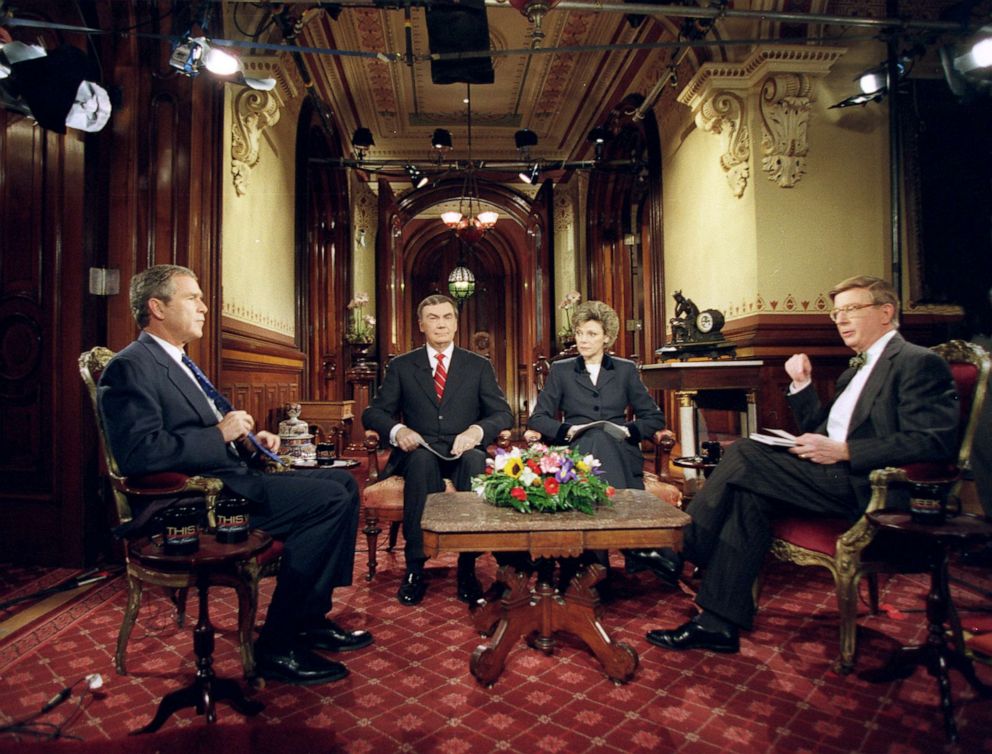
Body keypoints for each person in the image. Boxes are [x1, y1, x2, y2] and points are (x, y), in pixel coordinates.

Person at [631, 275, 960, 653]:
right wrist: (802, 386)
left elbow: (934, 440)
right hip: (830, 475)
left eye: (852, 310)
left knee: (743, 452)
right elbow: (821, 431)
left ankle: (680, 550)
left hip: (870, 485)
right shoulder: (854, 370)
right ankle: (716, 623)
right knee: (747, 498)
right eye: (837, 313)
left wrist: (849, 452)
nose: (841, 320)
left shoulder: (919, 362)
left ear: (886, 312)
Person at [99, 265, 371, 686]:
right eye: (192, 298)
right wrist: (219, 434)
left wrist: (248, 439)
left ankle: (311, 618)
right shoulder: (130, 367)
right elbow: (139, 454)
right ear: (157, 307)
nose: (204, 308)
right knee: (329, 499)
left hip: (230, 479)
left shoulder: (180, 362)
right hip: (189, 505)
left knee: (341, 484)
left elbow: (199, 432)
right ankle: (277, 646)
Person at [362, 294, 513, 606]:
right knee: (420, 464)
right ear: (421, 325)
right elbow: (374, 413)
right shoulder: (402, 366)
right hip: (421, 449)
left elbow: (502, 414)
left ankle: (467, 567)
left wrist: (477, 431)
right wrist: (398, 430)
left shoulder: (478, 366)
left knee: (474, 462)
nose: (441, 323)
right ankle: (415, 568)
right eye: (433, 317)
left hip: (463, 449)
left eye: (447, 317)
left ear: (456, 324)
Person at [528, 300, 667, 589]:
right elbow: (539, 418)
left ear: (606, 337)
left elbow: (654, 418)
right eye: (579, 333)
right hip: (575, 449)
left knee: (603, 437)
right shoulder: (561, 370)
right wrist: (568, 430)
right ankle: (631, 550)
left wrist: (627, 431)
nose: (583, 340)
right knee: (592, 437)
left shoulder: (626, 370)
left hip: (619, 451)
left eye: (591, 334)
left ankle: (595, 565)